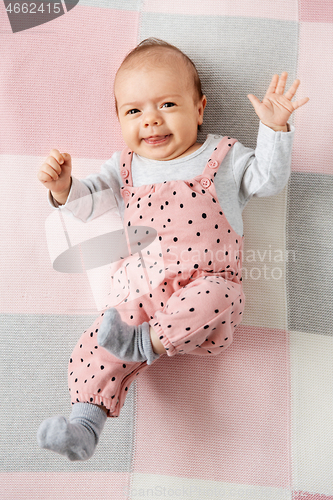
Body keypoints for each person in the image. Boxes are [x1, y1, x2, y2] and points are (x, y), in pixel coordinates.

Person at [36, 38, 309, 461]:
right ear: (120, 121)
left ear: (199, 109)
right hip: (143, 296)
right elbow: (88, 205)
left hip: (208, 291)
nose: (151, 121)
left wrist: (274, 129)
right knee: (94, 343)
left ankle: (147, 345)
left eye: (167, 105)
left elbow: (268, 180)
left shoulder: (223, 155)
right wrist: (63, 188)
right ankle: (84, 425)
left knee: (217, 295)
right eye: (134, 111)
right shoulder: (124, 167)